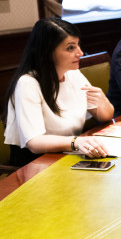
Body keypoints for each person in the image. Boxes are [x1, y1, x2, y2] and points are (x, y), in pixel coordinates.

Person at [3, 18, 114, 166]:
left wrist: (103, 101)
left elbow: (105, 116)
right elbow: (34, 142)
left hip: (69, 155)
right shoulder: (27, 83)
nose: (80, 53)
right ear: (48, 52)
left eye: (78, 45)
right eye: (70, 48)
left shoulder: (73, 74)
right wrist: (76, 142)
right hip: (38, 164)